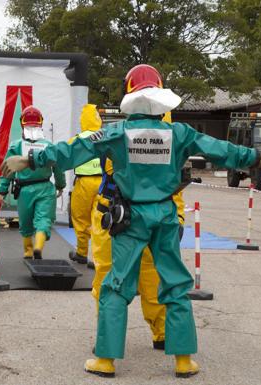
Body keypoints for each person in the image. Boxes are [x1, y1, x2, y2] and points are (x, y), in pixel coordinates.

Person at [0, 64, 261, 378]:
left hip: (129, 219)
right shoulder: (180, 133)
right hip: (165, 216)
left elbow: (73, 151)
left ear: (129, 94)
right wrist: (259, 158)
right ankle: (184, 361)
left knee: (116, 285)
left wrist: (30, 159)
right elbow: (221, 150)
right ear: (160, 96)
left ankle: (106, 361)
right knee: (175, 283)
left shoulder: (115, 133)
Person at [90, 111, 186, 351]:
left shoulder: (116, 134)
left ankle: (110, 343)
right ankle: (162, 334)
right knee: (141, 277)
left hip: (118, 216)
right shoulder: (168, 137)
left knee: (113, 281)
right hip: (130, 215)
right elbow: (174, 187)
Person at [0, 106, 66, 259]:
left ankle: (28, 251)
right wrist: (60, 185)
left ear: (22, 123)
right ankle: (38, 246)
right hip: (45, 188)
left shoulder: (16, 146)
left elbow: (7, 169)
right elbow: (58, 168)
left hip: (25, 190)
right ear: (41, 123)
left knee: (26, 221)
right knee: (44, 219)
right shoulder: (49, 146)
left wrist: (2, 191)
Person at [68, 104, 103, 265]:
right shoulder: (106, 136)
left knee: (81, 218)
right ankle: (97, 257)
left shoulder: (78, 139)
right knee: (100, 219)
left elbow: (64, 157)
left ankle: (82, 253)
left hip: (83, 183)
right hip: (104, 183)